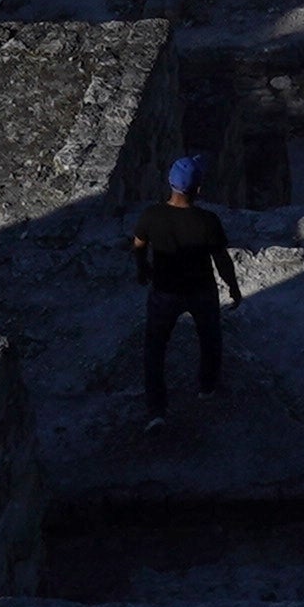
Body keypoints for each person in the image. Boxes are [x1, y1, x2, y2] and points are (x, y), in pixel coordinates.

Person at [129, 154, 241, 420]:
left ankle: (157, 408)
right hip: (201, 290)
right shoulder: (208, 220)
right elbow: (221, 259)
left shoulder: (152, 215)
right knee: (210, 339)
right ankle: (207, 387)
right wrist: (233, 287)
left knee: (155, 348)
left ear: (170, 183)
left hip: (164, 290)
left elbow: (138, 244)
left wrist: (142, 268)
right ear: (198, 189)